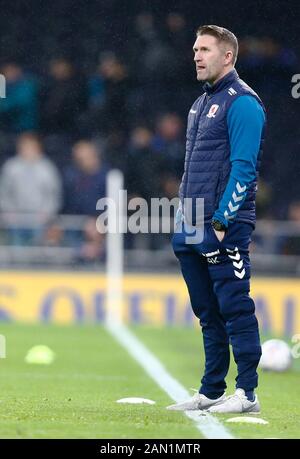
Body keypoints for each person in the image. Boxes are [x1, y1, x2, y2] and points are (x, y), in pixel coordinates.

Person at [167, 25, 266, 414]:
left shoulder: (242, 103)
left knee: (235, 306)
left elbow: (244, 169)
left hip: (222, 226)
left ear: (228, 56)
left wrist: (223, 221)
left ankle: (247, 394)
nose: (196, 55)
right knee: (207, 311)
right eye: (195, 49)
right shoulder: (198, 104)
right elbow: (193, 168)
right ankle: (211, 390)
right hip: (191, 224)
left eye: (205, 49)